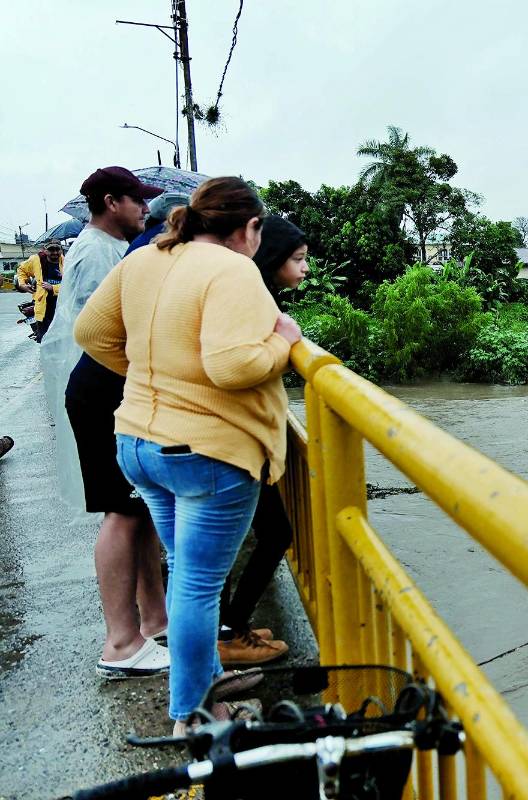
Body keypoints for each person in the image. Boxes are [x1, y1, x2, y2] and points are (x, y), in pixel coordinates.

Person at [74, 177, 302, 734]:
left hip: (138, 443)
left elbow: (90, 333)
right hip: (206, 454)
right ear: (250, 228)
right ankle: (196, 715)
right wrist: (284, 341)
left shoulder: (144, 258)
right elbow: (233, 366)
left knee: (184, 574)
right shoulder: (233, 269)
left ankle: (204, 686)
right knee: (199, 585)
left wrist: (159, 377)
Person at [42, 167, 171, 680]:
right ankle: (120, 642)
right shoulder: (97, 252)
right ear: (111, 201)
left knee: (139, 508)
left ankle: (154, 620)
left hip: (111, 389)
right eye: (137, 199)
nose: (145, 209)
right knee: (121, 510)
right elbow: (110, 329)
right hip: (103, 392)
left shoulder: (110, 247)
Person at [216, 216, 309, 666]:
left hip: (240, 435)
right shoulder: (253, 298)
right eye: (299, 259)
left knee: (251, 537)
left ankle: (231, 626)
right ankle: (228, 633)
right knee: (267, 535)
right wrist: (284, 345)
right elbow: (243, 364)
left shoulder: (255, 295)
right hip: (239, 437)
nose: (305, 268)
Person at [15, 241, 64, 342]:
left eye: (57, 249)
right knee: (45, 338)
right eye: (51, 249)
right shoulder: (36, 260)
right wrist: (22, 284)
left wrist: (53, 288)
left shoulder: (67, 261)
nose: (55, 252)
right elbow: (21, 269)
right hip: (43, 307)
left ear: (61, 250)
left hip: (62, 305)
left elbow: (72, 283)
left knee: (62, 338)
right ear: (45, 250)